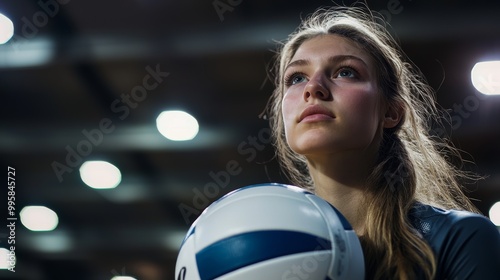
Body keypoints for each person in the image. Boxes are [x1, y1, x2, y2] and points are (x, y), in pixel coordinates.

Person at [261, 4, 500, 279]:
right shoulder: (261, 245)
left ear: (390, 112)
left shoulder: (458, 239)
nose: (313, 88)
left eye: (345, 72)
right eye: (297, 77)